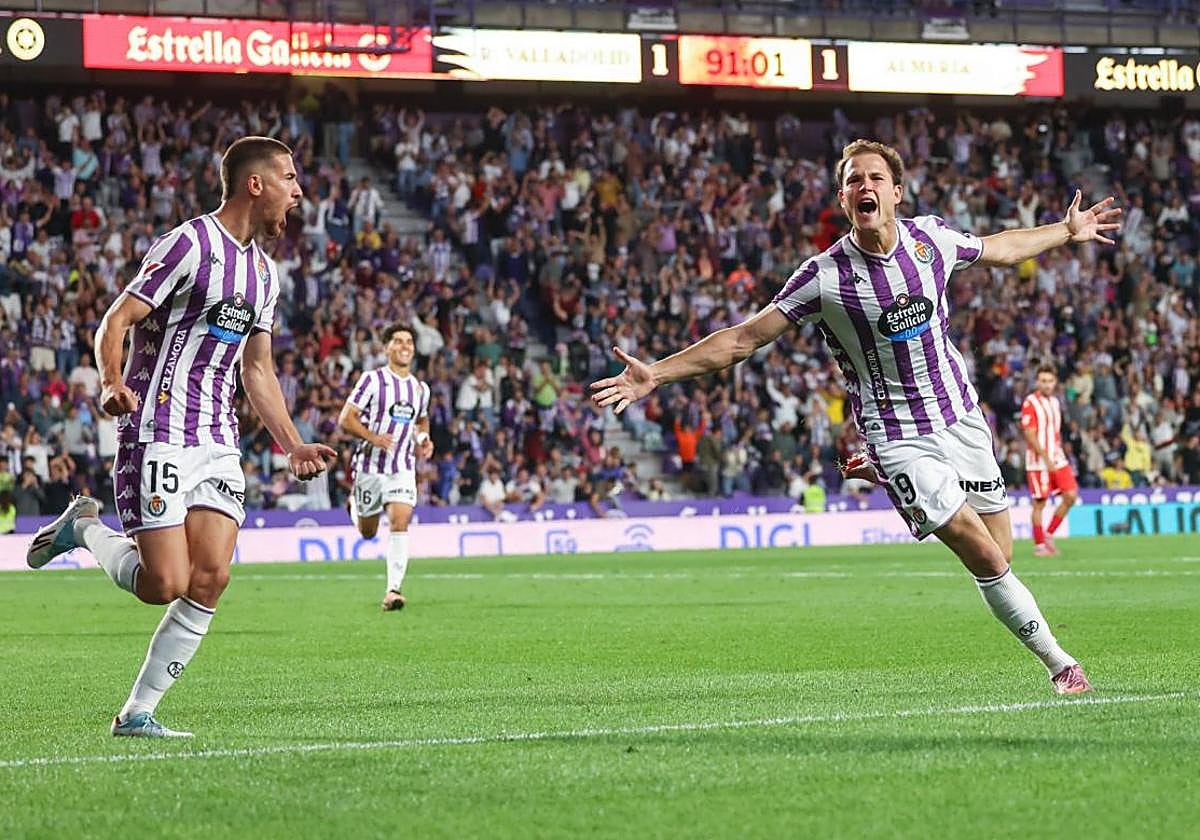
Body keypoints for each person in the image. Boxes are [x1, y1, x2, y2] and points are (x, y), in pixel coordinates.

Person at [592, 139, 1121, 696]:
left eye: (874, 177)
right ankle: (1062, 664)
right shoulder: (824, 278)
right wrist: (658, 373)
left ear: (896, 192)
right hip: (896, 431)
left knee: (1001, 552)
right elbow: (745, 338)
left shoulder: (932, 241)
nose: (864, 186)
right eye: (852, 180)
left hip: (961, 416)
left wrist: (1066, 231)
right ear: (843, 198)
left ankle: (890, 480)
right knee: (982, 552)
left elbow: (1000, 247)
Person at [26, 136, 336, 738]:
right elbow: (117, 319)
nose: (298, 192)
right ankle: (84, 526)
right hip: (157, 431)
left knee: (212, 576)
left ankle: (137, 712)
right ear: (255, 184)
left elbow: (257, 369)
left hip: (218, 440)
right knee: (163, 582)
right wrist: (113, 382)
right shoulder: (189, 245)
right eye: (290, 180)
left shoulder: (264, 275)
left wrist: (292, 443)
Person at [338, 323, 433, 611]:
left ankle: (393, 590)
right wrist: (373, 438)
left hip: (402, 466)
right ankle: (356, 506)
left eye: (409, 342)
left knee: (400, 521)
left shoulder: (420, 388)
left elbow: (421, 419)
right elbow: (346, 418)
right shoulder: (372, 380)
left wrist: (424, 438)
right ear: (387, 347)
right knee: (367, 531)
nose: (405, 346)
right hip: (370, 466)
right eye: (398, 341)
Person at [1021, 363, 1079, 556]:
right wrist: (1046, 459)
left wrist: (1056, 453)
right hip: (1039, 461)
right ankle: (1039, 546)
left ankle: (1049, 534)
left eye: (1050, 381)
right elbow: (1029, 434)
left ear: (1055, 382)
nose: (1046, 385)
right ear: (1037, 382)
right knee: (1040, 503)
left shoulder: (1055, 402)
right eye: (1043, 381)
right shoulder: (1030, 403)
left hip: (1057, 457)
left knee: (1070, 495)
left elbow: (1054, 432)